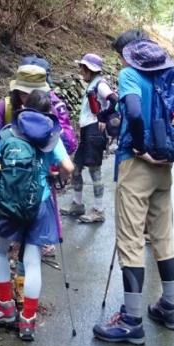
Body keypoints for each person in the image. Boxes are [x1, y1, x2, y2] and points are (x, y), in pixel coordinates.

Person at [93, 30, 174, 345]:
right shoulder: (168, 74)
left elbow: (132, 110)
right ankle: (169, 306)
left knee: (130, 240)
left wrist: (142, 147)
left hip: (137, 165)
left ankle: (131, 321)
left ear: (126, 54)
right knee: (162, 236)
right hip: (165, 167)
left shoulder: (130, 74)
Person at [0, 90, 74, 341]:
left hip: (8, 203)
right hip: (39, 204)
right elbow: (68, 168)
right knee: (32, 260)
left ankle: (5, 306)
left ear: (24, 106)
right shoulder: (52, 136)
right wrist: (54, 177)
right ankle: (28, 320)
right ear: (48, 113)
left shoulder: (10, 131)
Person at [0, 65, 49, 305]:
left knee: (26, 248)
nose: (27, 96)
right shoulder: (6, 107)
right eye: (24, 92)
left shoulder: (48, 110)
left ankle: (20, 290)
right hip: (7, 186)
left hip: (32, 191)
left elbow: (67, 143)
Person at [64, 53, 117, 223]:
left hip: (95, 132)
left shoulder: (100, 84)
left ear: (89, 69)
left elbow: (114, 99)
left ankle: (99, 210)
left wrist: (102, 116)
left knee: (95, 171)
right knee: (76, 168)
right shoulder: (93, 84)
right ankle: (77, 204)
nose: (80, 71)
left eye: (82, 68)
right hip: (88, 132)